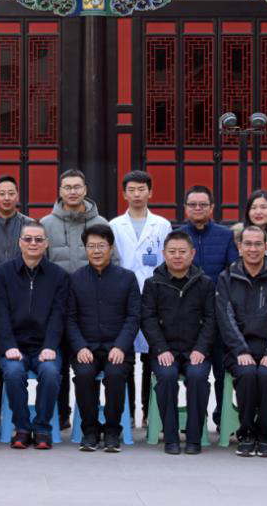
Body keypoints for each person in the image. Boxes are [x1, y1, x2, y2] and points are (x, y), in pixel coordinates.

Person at [216, 225, 267, 457]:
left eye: (258, 244)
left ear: (266, 247)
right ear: (239, 248)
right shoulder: (227, 277)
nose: (253, 249)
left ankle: (266, 435)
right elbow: (225, 318)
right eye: (247, 244)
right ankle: (247, 433)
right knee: (248, 374)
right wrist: (240, 350)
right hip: (239, 350)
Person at [41, 168, 109, 428]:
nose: (72, 191)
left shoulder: (101, 223)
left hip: (91, 308)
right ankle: (61, 414)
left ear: (85, 190)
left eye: (77, 187)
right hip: (57, 307)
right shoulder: (46, 224)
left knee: (88, 361)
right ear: (60, 191)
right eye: (67, 187)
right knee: (58, 363)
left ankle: (90, 415)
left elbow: (112, 262)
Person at [0, 222, 68, 450]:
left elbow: (59, 315)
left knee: (50, 372)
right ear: (20, 243)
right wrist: (8, 345)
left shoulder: (59, 275)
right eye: (28, 239)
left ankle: (43, 428)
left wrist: (50, 346)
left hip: (45, 346)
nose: (33, 243)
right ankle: (22, 428)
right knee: (13, 373)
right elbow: (0, 313)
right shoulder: (2, 273)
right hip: (14, 345)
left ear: (46, 244)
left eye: (38, 239)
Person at [67, 224, 140, 453]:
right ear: (85, 249)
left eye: (101, 246)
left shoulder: (127, 278)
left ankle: (111, 431)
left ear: (111, 248)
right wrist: (80, 347)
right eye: (91, 246)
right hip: (86, 348)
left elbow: (133, 317)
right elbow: (70, 318)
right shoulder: (75, 279)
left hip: (117, 347)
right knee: (84, 374)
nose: (96, 251)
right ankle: (89, 431)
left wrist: (121, 346)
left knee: (116, 374)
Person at [142, 231, 216, 455]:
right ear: (163, 254)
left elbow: (212, 319)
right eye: (172, 251)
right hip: (165, 349)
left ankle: (194, 437)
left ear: (192, 254)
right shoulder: (153, 283)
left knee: (197, 377)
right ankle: (171, 436)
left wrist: (201, 349)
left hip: (195, 350)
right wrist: (160, 349)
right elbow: (148, 319)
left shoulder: (204, 283)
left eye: (182, 251)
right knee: (166, 377)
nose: (177, 256)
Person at [109, 170, 171, 419]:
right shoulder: (114, 225)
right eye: (131, 190)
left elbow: (167, 262)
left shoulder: (162, 225)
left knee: (150, 355)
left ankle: (146, 411)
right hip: (122, 296)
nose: (136, 194)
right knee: (125, 355)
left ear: (150, 193)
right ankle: (128, 410)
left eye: (141, 189)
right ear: (124, 194)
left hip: (153, 295)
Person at [178, 185, 238, 431]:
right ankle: (197, 415)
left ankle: (223, 416)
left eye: (203, 204)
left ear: (212, 208)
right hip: (189, 318)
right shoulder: (178, 236)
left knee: (223, 371)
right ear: (185, 208)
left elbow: (233, 271)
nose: (198, 208)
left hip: (220, 315)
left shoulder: (225, 236)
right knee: (195, 371)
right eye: (192, 204)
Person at [0, 174, 36, 429]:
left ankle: (23, 409)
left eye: (11, 193)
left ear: (18, 196)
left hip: (22, 294)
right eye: (1, 193)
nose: (6, 198)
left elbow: (35, 257)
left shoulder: (29, 225)